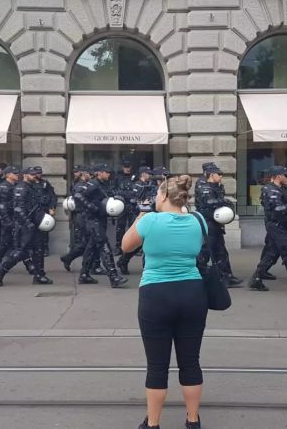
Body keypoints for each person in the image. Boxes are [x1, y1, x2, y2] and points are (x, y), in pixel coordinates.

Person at [121, 175, 206, 429]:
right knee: (190, 361)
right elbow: (198, 248)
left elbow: (126, 246)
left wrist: (139, 216)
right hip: (192, 293)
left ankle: (153, 423)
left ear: (164, 196)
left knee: (157, 365)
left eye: (158, 195)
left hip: (156, 295)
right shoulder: (198, 220)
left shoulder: (149, 221)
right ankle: (192, 420)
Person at [248, 166, 287, 297]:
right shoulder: (270, 189)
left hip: (279, 225)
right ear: (278, 176)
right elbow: (277, 210)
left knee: (271, 254)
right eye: (286, 175)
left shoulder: (280, 189)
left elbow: (284, 209)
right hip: (276, 226)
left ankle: (256, 279)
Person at [0, 166, 53, 286]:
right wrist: (27, 223)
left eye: (36, 174)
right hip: (23, 225)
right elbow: (18, 209)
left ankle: (39, 275)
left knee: (38, 250)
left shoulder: (34, 187)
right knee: (20, 252)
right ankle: (1, 271)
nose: (35, 176)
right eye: (32, 174)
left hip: (35, 223)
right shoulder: (21, 188)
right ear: (25, 175)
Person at [74, 164, 126, 287]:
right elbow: (78, 195)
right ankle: (114, 277)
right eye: (106, 172)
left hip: (101, 219)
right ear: (99, 173)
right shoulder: (93, 184)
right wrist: (90, 206)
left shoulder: (105, 184)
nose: (108, 174)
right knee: (104, 245)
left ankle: (84, 275)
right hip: (92, 220)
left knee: (91, 248)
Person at [195, 164, 242, 287]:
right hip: (208, 223)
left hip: (216, 223)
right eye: (218, 174)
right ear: (211, 174)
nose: (221, 176)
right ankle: (197, 276)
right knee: (205, 251)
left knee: (221, 251)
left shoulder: (216, 186)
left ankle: (226, 276)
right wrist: (224, 201)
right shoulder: (203, 186)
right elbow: (209, 202)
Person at [117, 166, 155, 274]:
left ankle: (123, 261)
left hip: (147, 215)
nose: (150, 176)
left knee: (141, 244)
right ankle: (123, 261)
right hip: (139, 215)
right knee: (138, 242)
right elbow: (135, 199)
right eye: (148, 173)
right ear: (143, 174)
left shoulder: (149, 185)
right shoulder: (138, 185)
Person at [0, 166, 20, 272]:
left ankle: (30, 266)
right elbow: (1, 205)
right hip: (9, 219)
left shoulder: (16, 186)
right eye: (14, 173)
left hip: (15, 218)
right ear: (8, 175)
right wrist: (8, 221)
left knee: (18, 243)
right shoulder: (4, 187)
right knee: (5, 243)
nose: (17, 175)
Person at [61, 166, 90, 272]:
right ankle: (69, 258)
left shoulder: (84, 185)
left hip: (84, 216)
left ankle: (70, 259)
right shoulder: (79, 186)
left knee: (89, 242)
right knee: (86, 242)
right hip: (82, 216)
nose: (90, 176)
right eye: (88, 173)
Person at [33, 166, 57, 258]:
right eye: (37, 173)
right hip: (33, 211)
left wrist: (52, 207)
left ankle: (45, 249)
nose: (39, 174)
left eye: (40, 173)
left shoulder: (45, 183)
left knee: (44, 230)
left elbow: (52, 196)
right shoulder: (29, 184)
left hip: (44, 210)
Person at [113, 159, 135, 254]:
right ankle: (119, 246)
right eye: (126, 167)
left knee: (132, 227)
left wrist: (124, 194)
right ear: (122, 167)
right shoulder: (118, 178)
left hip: (131, 205)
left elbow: (135, 192)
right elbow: (114, 190)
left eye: (128, 166)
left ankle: (132, 247)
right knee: (120, 227)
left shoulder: (134, 177)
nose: (127, 169)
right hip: (120, 205)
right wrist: (124, 194)